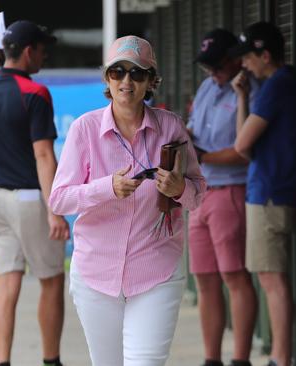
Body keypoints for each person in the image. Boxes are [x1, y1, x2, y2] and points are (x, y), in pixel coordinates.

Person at [49, 35, 206, 366]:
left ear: (151, 81)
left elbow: (198, 193)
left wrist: (178, 187)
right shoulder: (84, 129)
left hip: (156, 269)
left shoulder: (171, 128)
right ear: (107, 78)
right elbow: (59, 200)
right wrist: (107, 188)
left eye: (137, 73)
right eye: (118, 72)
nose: (126, 81)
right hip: (96, 273)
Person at [0, 20, 70, 366]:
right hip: (29, 200)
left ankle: (3, 362)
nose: (45, 54)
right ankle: (51, 361)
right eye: (43, 48)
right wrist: (55, 209)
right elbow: (44, 155)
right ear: (29, 51)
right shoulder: (36, 93)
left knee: (6, 286)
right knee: (51, 282)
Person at [231, 22, 296, 366]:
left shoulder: (277, 86)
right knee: (270, 276)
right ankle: (280, 356)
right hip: (273, 189)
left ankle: (280, 358)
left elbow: (241, 144)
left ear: (264, 54)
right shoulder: (280, 84)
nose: (245, 65)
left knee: (271, 279)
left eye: (248, 57)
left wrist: (244, 98)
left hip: (270, 192)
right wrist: (243, 97)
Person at [187, 28, 259, 366]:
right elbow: (194, 132)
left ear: (235, 59)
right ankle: (211, 358)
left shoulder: (249, 90)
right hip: (200, 193)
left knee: (234, 275)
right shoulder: (206, 88)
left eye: (218, 64)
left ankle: (240, 358)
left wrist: (201, 156)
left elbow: (245, 149)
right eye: (208, 66)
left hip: (231, 189)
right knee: (204, 278)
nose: (213, 71)